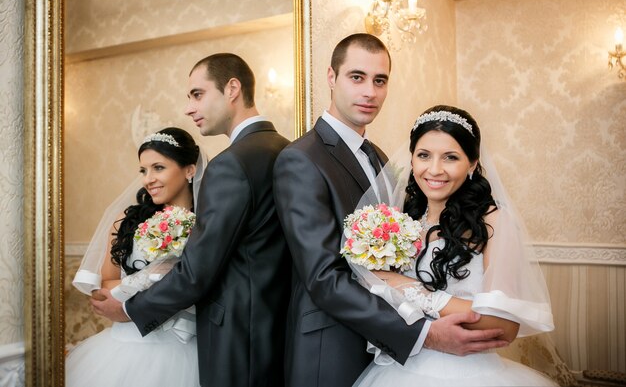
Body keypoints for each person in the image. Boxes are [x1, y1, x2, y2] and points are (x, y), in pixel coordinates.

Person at [273, 34, 508, 387]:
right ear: (331, 77)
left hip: (387, 351)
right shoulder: (301, 158)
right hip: (332, 344)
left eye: (379, 80)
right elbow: (323, 278)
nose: (370, 91)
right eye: (357, 77)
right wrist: (423, 334)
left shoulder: (380, 157)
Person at [91, 53, 292, 387]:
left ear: (232, 89)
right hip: (278, 331)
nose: (188, 108)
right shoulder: (285, 149)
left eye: (197, 94)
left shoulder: (230, 164)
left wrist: (129, 309)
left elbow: (197, 271)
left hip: (235, 340)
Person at [352, 105, 556, 386]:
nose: (434, 170)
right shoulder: (400, 220)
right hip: (401, 368)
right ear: (412, 159)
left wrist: (414, 290)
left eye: (450, 157)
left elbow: (503, 327)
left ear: (472, 163)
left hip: (471, 373)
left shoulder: (494, 221)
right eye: (424, 155)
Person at [66, 127, 204, 387]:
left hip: (185, 345)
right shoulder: (127, 221)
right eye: (143, 170)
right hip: (125, 344)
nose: (147, 179)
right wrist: (151, 278)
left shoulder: (207, 224)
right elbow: (105, 284)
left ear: (189, 169)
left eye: (158, 168)